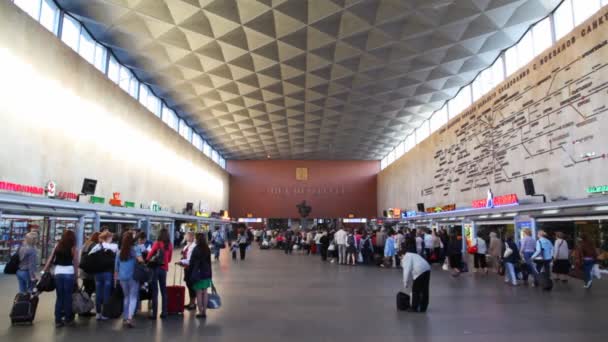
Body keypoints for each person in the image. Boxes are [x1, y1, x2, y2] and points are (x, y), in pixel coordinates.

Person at [43, 230, 78, 328]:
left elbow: (50, 259)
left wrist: (44, 271)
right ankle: (68, 319)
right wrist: (76, 276)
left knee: (59, 297)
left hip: (58, 273)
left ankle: (58, 320)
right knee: (68, 297)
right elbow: (75, 263)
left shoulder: (57, 246)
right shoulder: (73, 248)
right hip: (69, 273)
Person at [114, 233, 144, 328]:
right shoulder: (135, 249)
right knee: (133, 297)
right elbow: (141, 260)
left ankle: (125, 316)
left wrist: (115, 280)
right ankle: (129, 318)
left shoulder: (119, 252)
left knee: (126, 297)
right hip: (133, 277)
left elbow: (116, 268)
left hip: (122, 277)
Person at [89, 231, 118, 321]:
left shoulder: (97, 246)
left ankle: (98, 313)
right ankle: (105, 314)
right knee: (106, 294)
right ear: (108, 238)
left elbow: (90, 256)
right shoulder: (114, 247)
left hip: (98, 273)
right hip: (108, 273)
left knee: (98, 293)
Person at [146, 228, 173, 319]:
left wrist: (148, 259)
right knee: (164, 291)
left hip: (155, 269)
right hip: (164, 269)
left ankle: (154, 314)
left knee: (155, 291)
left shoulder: (157, 243)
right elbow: (169, 259)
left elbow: (149, 256)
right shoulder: (169, 245)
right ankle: (164, 312)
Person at [401, 242, 431, 313]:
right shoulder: (413, 254)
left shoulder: (406, 257)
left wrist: (405, 283)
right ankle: (424, 307)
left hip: (420, 271)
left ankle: (414, 307)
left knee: (415, 290)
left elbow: (406, 271)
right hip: (427, 268)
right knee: (425, 289)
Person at [188, 233, 213, 318]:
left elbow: (191, 262)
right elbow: (209, 262)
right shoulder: (207, 249)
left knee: (198, 293)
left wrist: (190, 272)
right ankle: (205, 312)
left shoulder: (196, 249)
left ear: (197, 239)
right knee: (205, 292)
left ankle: (200, 311)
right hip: (206, 272)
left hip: (198, 273)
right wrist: (210, 274)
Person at [178, 231, 197, 310]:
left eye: (187, 236)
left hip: (191, 268)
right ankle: (191, 302)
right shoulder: (187, 245)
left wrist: (182, 261)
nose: (186, 237)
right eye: (186, 236)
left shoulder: (194, 246)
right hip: (186, 267)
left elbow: (190, 259)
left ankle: (193, 303)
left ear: (192, 237)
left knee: (191, 285)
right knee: (189, 285)